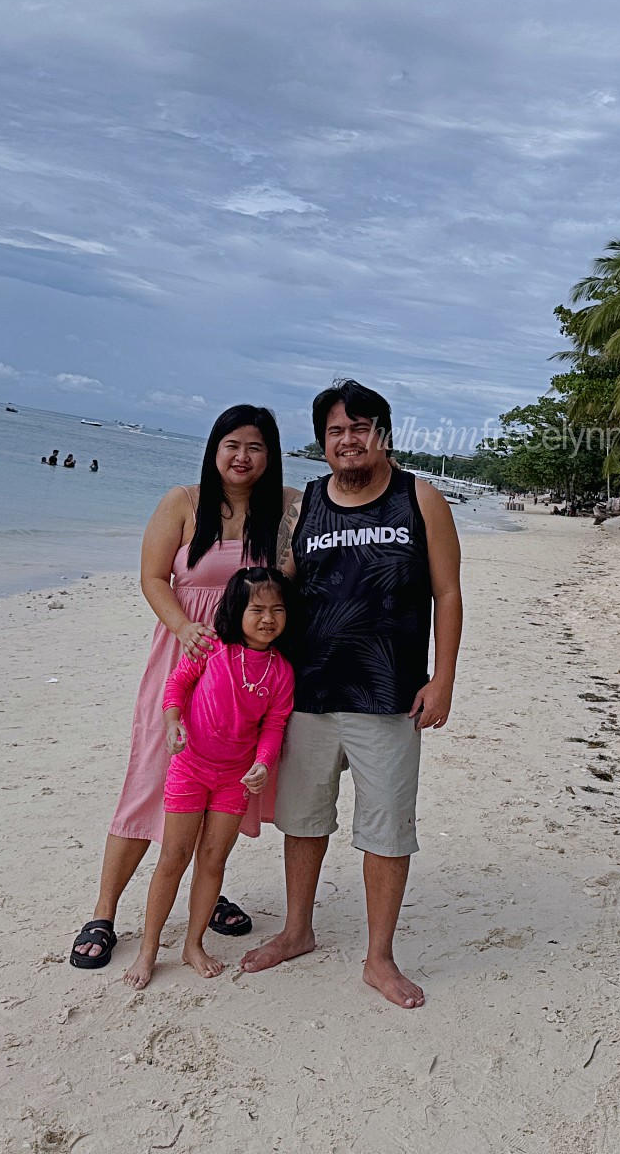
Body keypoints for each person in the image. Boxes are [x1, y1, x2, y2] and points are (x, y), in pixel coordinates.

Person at [239, 381, 462, 1010]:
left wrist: (442, 676)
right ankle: (297, 929)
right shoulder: (304, 507)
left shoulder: (419, 499)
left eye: (360, 429)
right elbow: (275, 589)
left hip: (390, 695)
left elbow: (448, 593)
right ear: (323, 441)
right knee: (303, 821)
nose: (348, 440)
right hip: (307, 691)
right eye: (336, 431)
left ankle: (380, 957)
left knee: (387, 828)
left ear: (383, 434)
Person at [69, 405, 300, 971]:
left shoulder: (287, 511)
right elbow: (152, 576)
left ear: (271, 455)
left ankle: (206, 892)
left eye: (256, 447)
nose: (242, 457)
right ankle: (104, 911)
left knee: (221, 781)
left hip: (246, 676)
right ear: (214, 450)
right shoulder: (183, 503)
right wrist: (182, 626)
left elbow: (297, 577)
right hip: (184, 657)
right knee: (152, 777)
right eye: (231, 445)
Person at [122, 568, 295, 989]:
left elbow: (274, 726)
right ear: (237, 610)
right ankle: (149, 949)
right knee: (173, 857)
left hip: (234, 780)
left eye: (277, 609)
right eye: (257, 609)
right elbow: (176, 686)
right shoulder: (211, 648)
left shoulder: (282, 671)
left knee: (213, 860)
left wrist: (264, 764)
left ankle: (193, 945)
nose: (268, 618)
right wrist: (171, 723)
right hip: (190, 767)